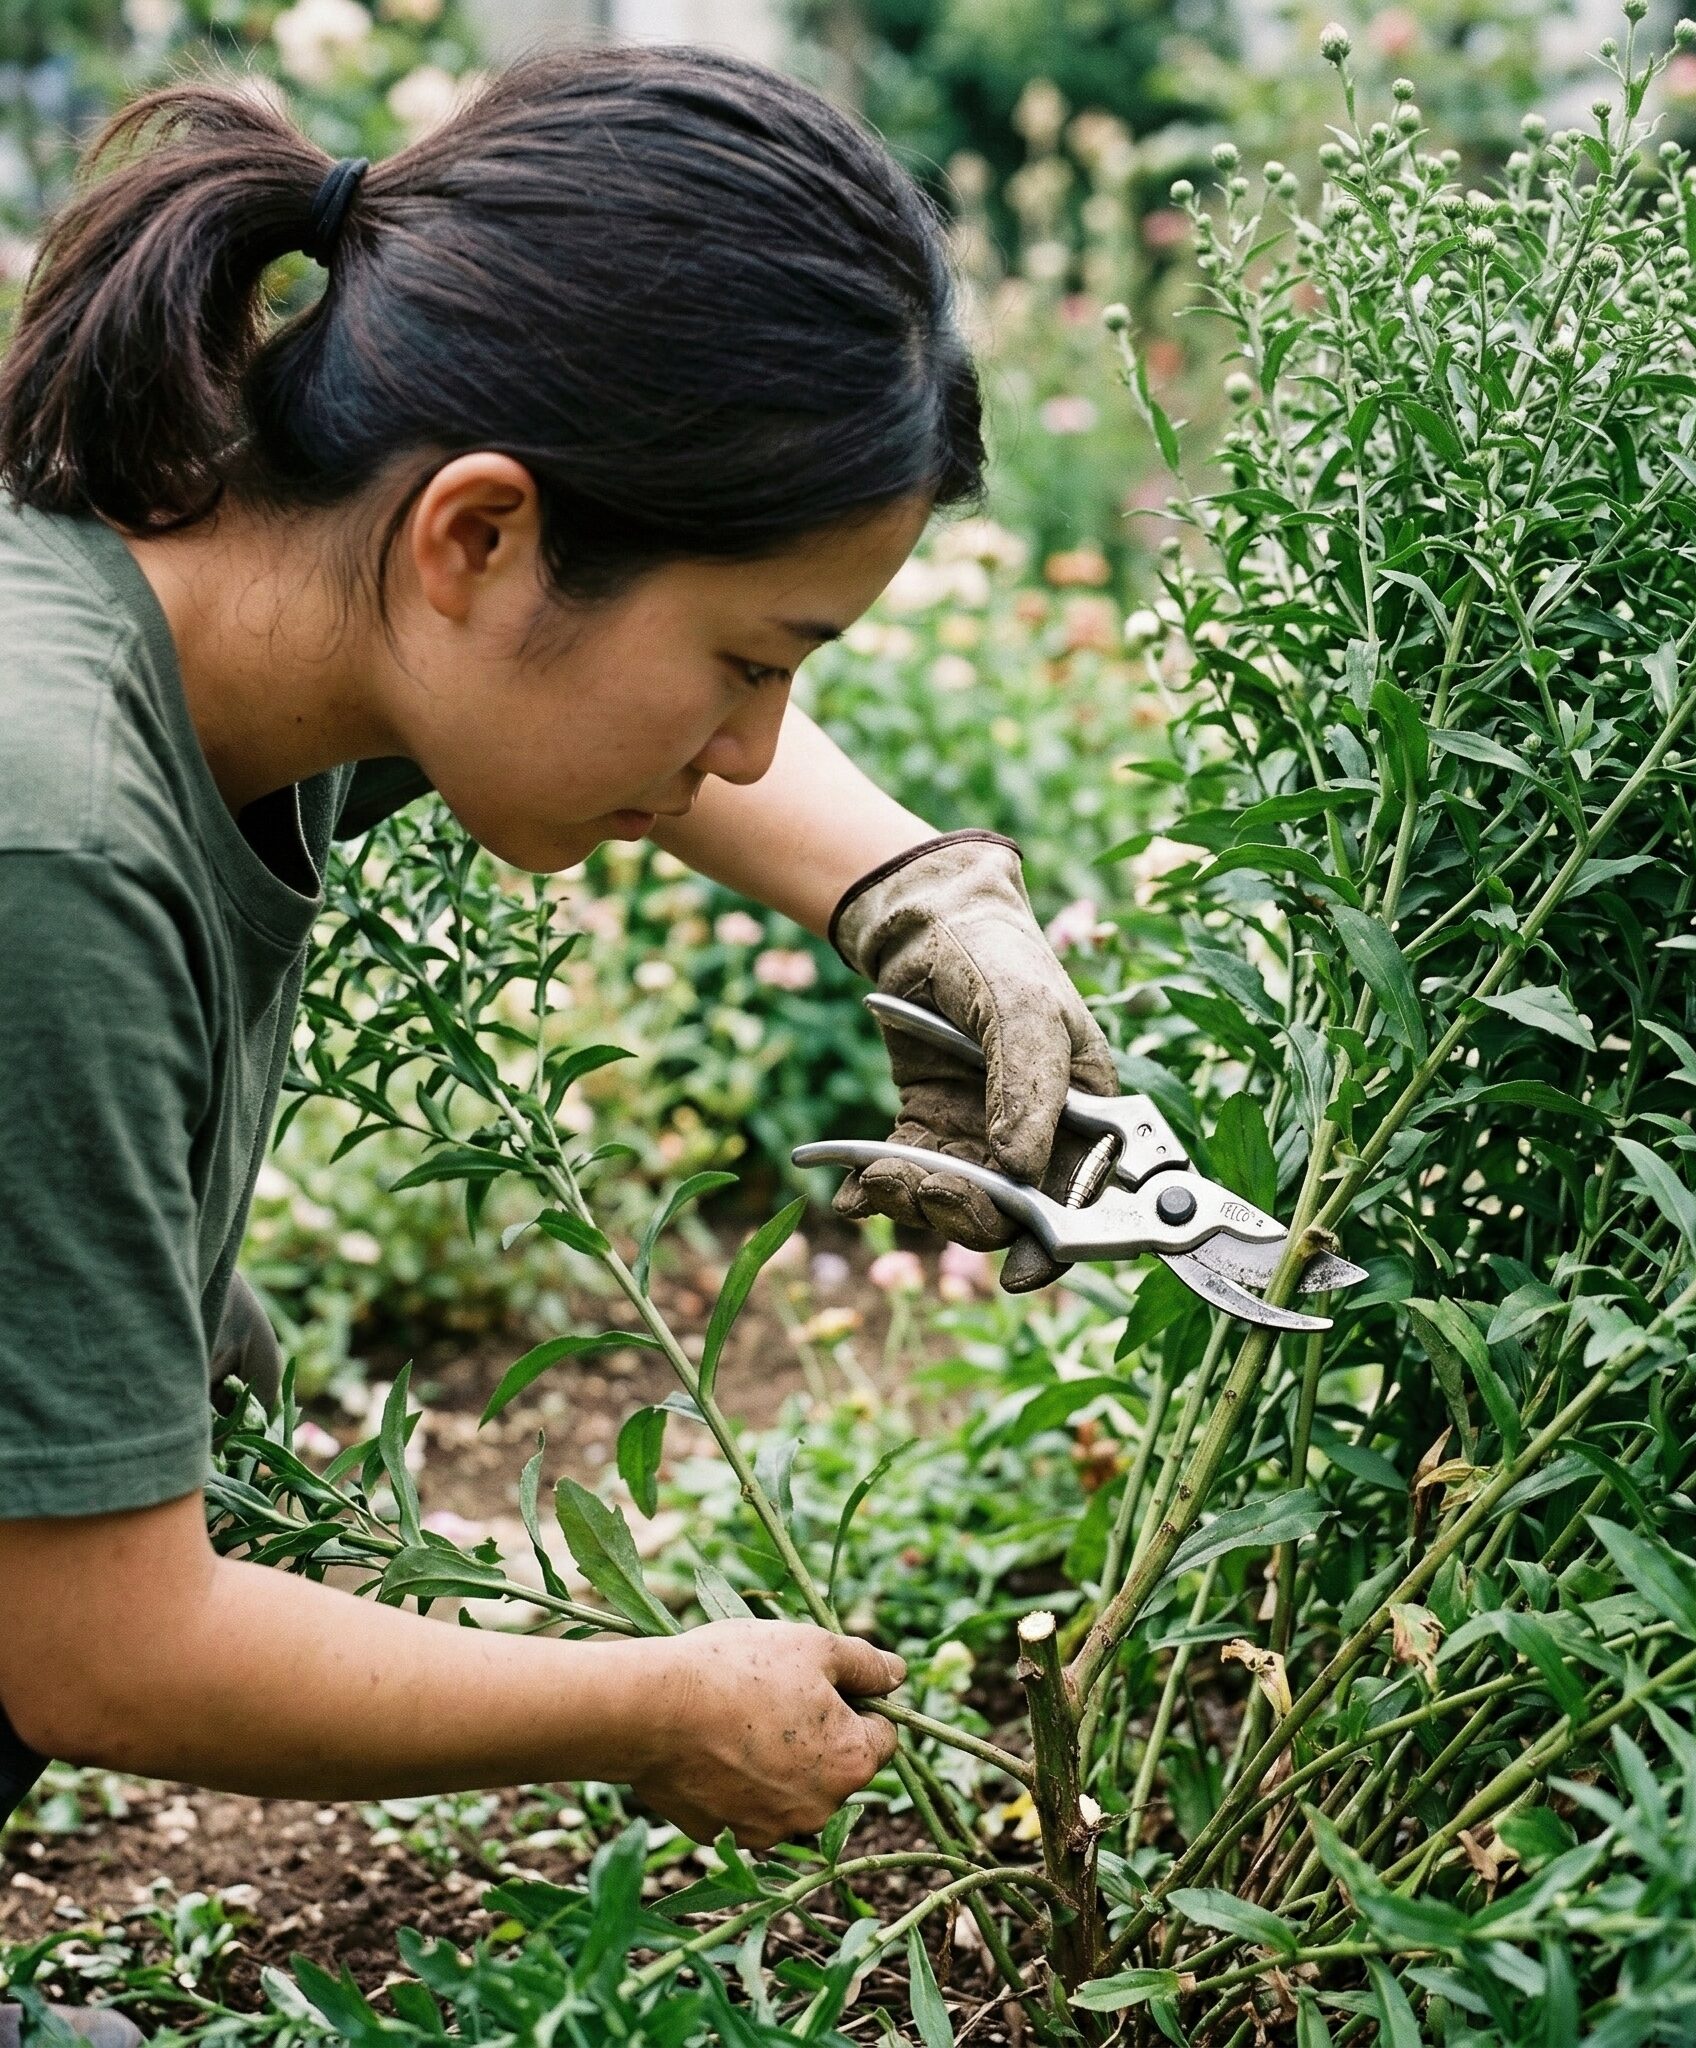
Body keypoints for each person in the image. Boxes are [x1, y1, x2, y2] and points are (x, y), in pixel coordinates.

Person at [0, 45, 1116, 2041]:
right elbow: (95, 1644)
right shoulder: (50, 841)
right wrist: (650, 1704)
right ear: (479, 540)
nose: (754, 746)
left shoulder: (232, 591)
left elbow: (647, 718)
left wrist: (922, 893)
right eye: (751, 663)